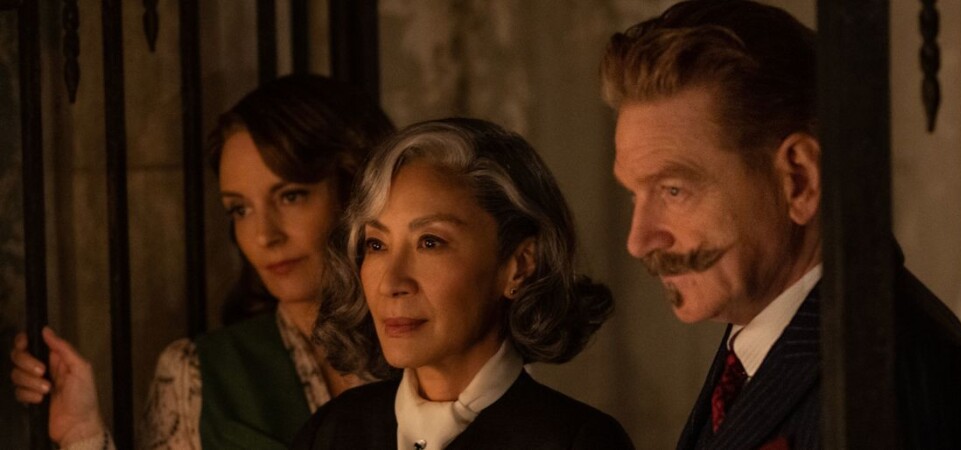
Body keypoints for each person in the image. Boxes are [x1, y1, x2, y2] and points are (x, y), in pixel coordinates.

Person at [601, 1, 961, 449]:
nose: (638, 240)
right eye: (635, 194)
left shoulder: (884, 379)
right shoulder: (773, 342)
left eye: (673, 191)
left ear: (799, 180)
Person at [10, 74, 395, 449]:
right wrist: (81, 432)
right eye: (240, 209)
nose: (264, 235)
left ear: (355, 192)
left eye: (290, 196)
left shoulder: (419, 347)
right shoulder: (197, 375)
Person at [293, 118, 634, 449]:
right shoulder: (329, 431)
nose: (390, 282)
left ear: (518, 265)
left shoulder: (578, 441)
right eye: (376, 245)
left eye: (430, 242)